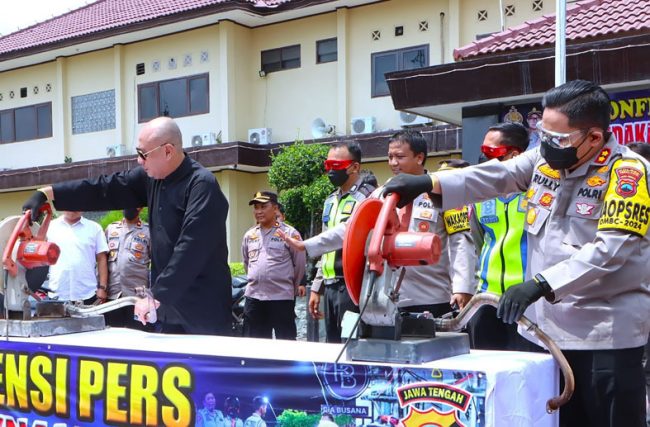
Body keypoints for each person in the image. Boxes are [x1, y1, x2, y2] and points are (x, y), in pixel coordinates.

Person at [383, 80, 650, 427]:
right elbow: (498, 175)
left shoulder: (627, 173)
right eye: (542, 134)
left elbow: (611, 250)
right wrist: (430, 183)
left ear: (594, 137)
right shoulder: (544, 160)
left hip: (604, 337)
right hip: (546, 334)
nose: (546, 145)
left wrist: (541, 284)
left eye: (557, 139)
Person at [22, 116, 232, 335]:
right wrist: (48, 194)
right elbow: (105, 189)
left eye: (143, 154)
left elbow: (191, 249)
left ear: (168, 151)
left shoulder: (202, 185)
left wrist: (157, 295)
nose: (139, 161)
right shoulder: (152, 178)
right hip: (168, 311)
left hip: (203, 311)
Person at [281, 141, 374, 343]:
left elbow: (347, 233)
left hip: (353, 286)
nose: (331, 171)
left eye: (336, 166)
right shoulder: (330, 200)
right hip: (331, 286)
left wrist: (305, 245)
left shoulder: (368, 198)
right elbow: (326, 249)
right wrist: (317, 287)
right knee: (331, 345)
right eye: (328, 165)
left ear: (355, 167)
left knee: (351, 344)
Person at [384, 131, 476, 316]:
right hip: (389, 298)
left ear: (419, 158)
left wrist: (462, 287)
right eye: (390, 157)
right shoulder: (383, 193)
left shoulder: (445, 192)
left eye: (400, 157)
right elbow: (353, 229)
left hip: (432, 299)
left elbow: (460, 241)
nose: (393, 163)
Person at [469, 123, 533, 350]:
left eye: (490, 152)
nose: (483, 158)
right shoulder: (480, 195)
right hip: (486, 300)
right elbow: (478, 242)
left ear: (514, 155)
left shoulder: (538, 195)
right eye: (482, 151)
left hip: (528, 301)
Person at [241, 191, 306, 340]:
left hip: (281, 297)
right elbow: (247, 263)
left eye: (263, 207)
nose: (259, 211)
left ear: (275, 208)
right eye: (256, 207)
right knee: (253, 344)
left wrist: (290, 287)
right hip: (254, 297)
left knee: (285, 343)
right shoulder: (249, 235)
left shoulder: (290, 234)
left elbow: (300, 264)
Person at [102, 207, 152, 330]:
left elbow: (155, 262)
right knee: (113, 334)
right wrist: (101, 288)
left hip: (137, 297)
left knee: (138, 334)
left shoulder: (148, 231)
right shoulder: (111, 229)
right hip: (113, 295)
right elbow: (102, 260)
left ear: (140, 208)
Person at [46, 211, 108, 304]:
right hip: (57, 292)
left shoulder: (94, 228)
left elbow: (101, 258)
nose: (72, 209)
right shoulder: (50, 226)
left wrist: (102, 287)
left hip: (87, 293)